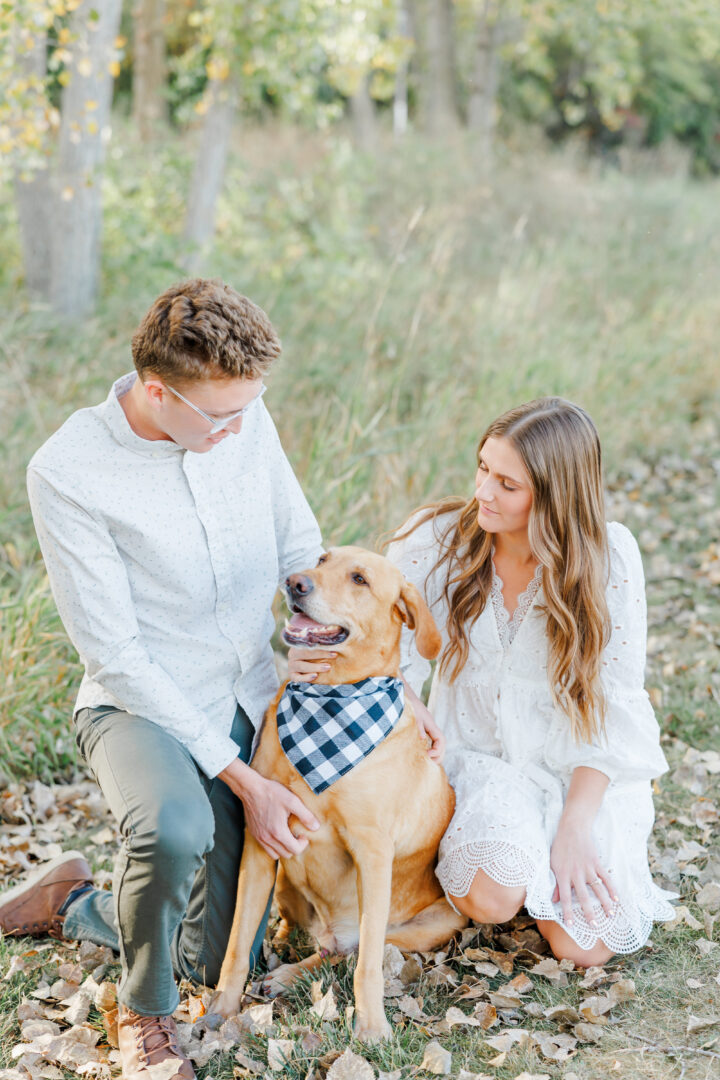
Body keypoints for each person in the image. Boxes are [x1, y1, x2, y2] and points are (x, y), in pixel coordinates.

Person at [0, 279, 323, 1080]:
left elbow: (299, 546)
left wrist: (355, 660)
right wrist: (245, 779)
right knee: (173, 830)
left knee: (216, 958)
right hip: (137, 705)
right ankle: (142, 1015)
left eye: (251, 408)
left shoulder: (238, 415)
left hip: (247, 687)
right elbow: (117, 655)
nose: (240, 427)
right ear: (154, 392)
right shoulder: (68, 471)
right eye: (220, 416)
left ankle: (77, 903)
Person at [292, 397, 675, 966]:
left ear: (555, 496)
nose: (483, 493)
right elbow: (379, 639)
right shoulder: (434, 539)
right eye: (482, 469)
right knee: (491, 898)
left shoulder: (609, 557)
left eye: (507, 484)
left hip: (582, 768)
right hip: (484, 763)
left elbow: (613, 703)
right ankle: (517, 865)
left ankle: (544, 859)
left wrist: (575, 825)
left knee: (584, 949)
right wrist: (345, 672)